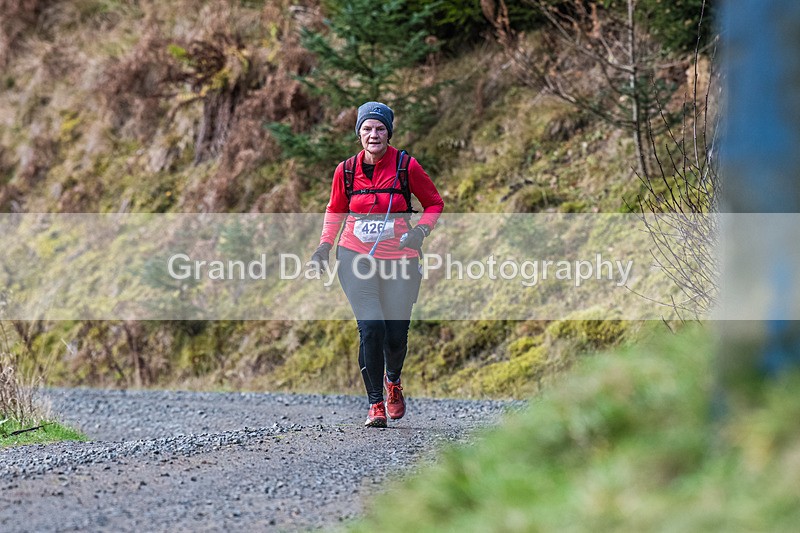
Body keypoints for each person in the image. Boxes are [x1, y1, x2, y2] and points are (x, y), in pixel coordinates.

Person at [310, 101, 444, 427]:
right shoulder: (345, 171)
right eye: (367, 128)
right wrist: (323, 248)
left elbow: (434, 203)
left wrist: (421, 232)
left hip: (400, 258)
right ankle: (375, 405)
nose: (374, 134)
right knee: (372, 326)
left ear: (389, 132)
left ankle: (393, 382)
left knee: (396, 336)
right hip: (355, 256)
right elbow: (335, 210)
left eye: (380, 128)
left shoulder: (406, 166)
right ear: (359, 134)